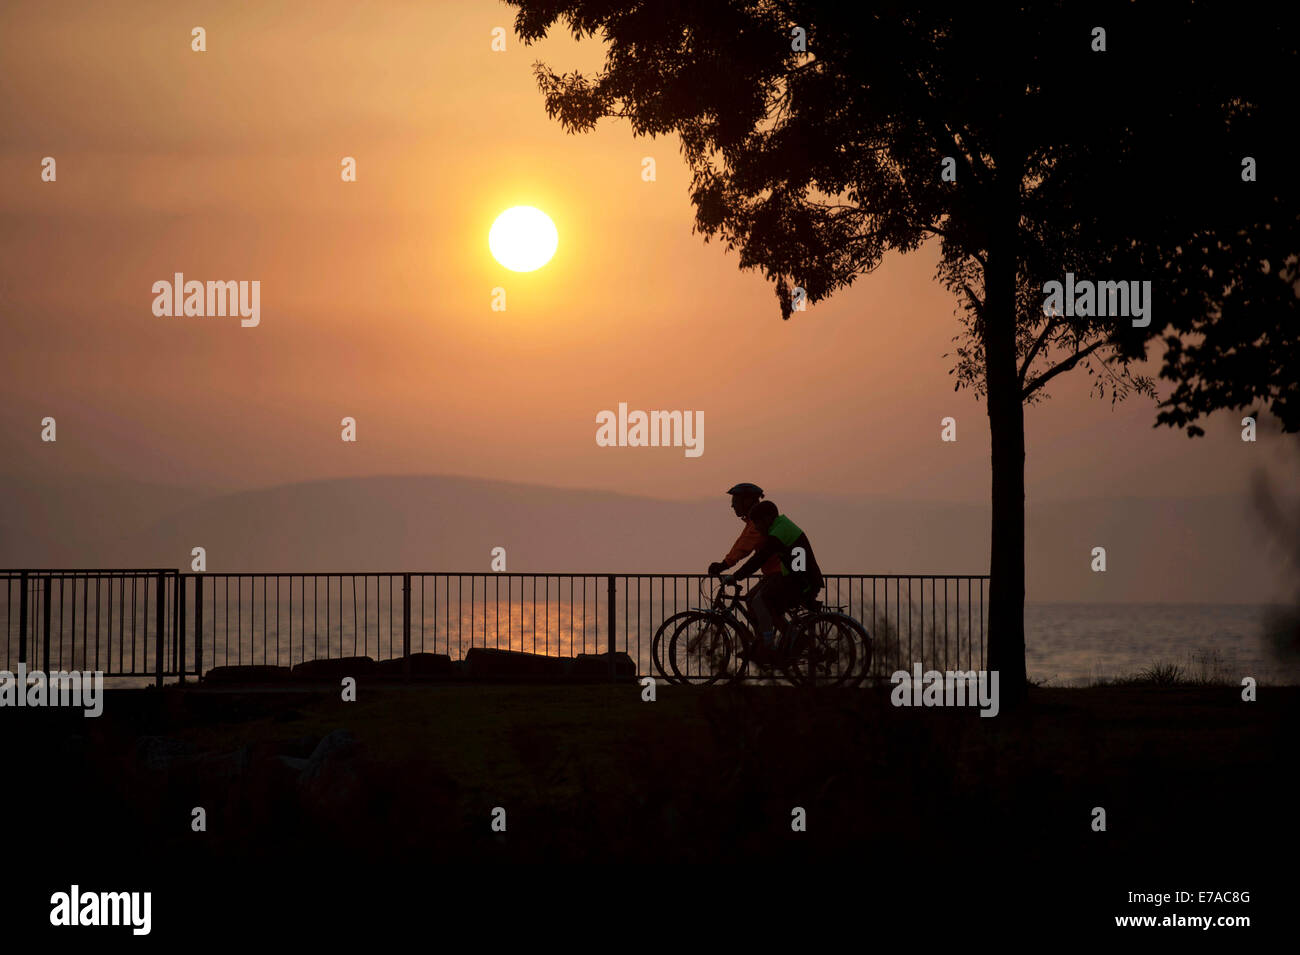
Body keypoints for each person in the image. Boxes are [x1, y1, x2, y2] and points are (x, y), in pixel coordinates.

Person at [722, 501, 824, 663]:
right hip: (797, 578)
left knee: (760, 600)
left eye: (758, 524)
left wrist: (736, 576)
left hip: (803, 581)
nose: (758, 528)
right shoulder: (780, 526)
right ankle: (787, 641)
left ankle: (769, 644)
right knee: (767, 604)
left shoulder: (779, 531)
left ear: (768, 518)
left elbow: (760, 557)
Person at [707, 483, 782, 629]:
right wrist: (726, 563)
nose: (732, 506)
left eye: (735, 502)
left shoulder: (757, 522)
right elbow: (741, 543)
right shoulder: (752, 521)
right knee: (751, 601)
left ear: (746, 501)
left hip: (779, 572)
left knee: (758, 603)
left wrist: (725, 565)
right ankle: (762, 642)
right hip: (772, 572)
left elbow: (745, 547)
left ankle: (767, 644)